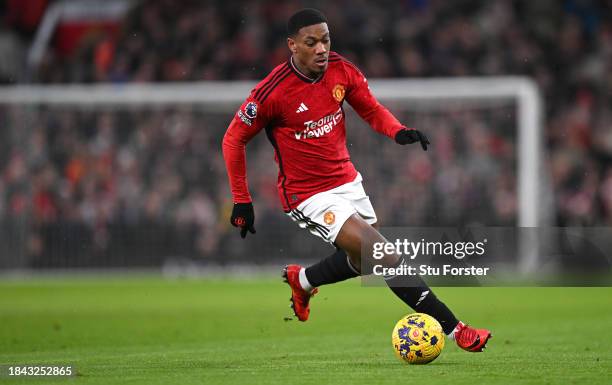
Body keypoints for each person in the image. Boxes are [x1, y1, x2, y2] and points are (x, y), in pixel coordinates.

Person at [222, 8, 491, 352]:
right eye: (311, 42)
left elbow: (370, 108)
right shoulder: (271, 92)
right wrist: (242, 198)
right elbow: (233, 140)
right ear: (292, 45)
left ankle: (302, 280)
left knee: (365, 261)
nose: (321, 48)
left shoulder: (340, 69)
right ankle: (456, 330)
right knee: (384, 254)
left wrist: (398, 131)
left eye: (325, 40)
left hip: (347, 181)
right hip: (308, 195)